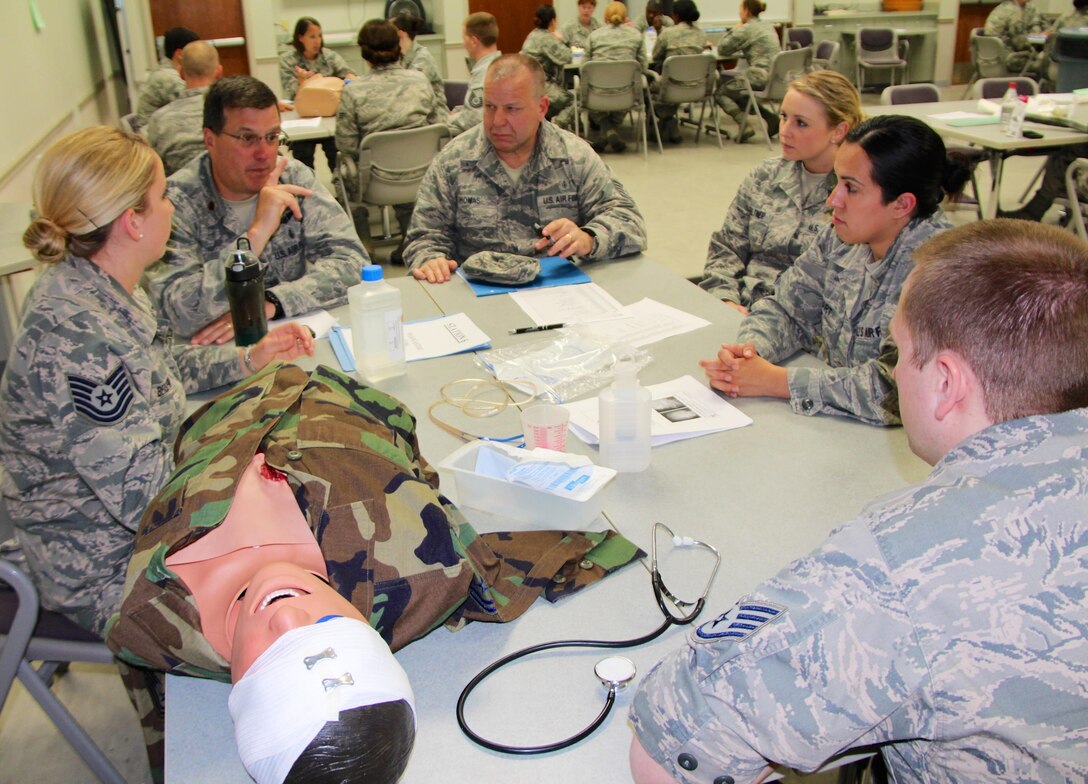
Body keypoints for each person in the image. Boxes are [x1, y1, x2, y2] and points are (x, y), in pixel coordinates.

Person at [630, 218, 1088, 783]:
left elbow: (674, 744)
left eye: (898, 352)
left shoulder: (911, 564)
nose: (893, 372)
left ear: (947, 383)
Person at [107, 362, 641, 782]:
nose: (288, 619)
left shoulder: (151, 619)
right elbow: (481, 568)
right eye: (336, 633)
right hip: (353, 403)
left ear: (235, 688)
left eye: (275, 664)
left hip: (214, 415)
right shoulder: (411, 565)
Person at [0, 126, 314, 638]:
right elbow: (144, 498)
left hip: (144, 519)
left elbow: (164, 371)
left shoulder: (106, 286)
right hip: (106, 566)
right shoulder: (76, 336)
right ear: (132, 223)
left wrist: (247, 359)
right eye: (162, 197)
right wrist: (255, 465)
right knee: (292, 594)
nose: (171, 207)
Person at [699, 115, 969, 425]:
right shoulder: (841, 235)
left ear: (902, 205)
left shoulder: (943, 271)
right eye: (836, 182)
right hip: (838, 427)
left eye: (851, 188)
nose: (832, 200)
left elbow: (896, 390)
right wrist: (749, 352)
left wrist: (777, 381)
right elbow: (787, 308)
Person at [146, 75, 367, 344]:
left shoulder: (292, 177)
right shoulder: (173, 203)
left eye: (273, 137)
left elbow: (355, 264)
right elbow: (177, 311)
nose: (264, 153)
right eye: (247, 138)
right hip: (215, 357)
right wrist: (255, 237)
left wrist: (269, 303)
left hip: (292, 339)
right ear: (210, 139)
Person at [403, 54, 647, 284]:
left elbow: (629, 222)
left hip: (557, 289)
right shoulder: (454, 160)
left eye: (511, 109)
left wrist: (588, 238)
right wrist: (431, 260)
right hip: (477, 291)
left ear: (542, 108)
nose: (497, 121)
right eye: (489, 107)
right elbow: (423, 237)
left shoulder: (574, 156)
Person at [699, 71, 863, 310]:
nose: (785, 131)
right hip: (741, 306)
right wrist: (725, 299)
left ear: (838, 131)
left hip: (800, 324)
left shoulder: (857, 192)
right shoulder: (765, 175)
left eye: (801, 123)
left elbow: (841, 290)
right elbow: (727, 247)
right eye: (784, 117)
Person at [335, 19, 443, 246]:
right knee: (409, 160)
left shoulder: (353, 92)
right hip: (419, 178)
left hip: (373, 184)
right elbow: (438, 125)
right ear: (398, 47)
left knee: (341, 173)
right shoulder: (420, 82)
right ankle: (412, 240)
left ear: (364, 53)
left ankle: (364, 245)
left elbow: (346, 145)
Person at [278, 17, 357, 171]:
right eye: (312, 36)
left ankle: (340, 190)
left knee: (336, 151)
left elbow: (349, 75)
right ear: (300, 38)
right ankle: (309, 190)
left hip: (329, 115)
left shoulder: (329, 56)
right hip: (304, 117)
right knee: (303, 154)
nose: (317, 41)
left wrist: (349, 78)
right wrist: (302, 82)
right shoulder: (288, 60)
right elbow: (290, 92)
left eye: (319, 36)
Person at [147, 40, 222, 176]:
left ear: (181, 73)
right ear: (219, 72)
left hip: (177, 193)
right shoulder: (234, 114)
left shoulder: (159, 120)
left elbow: (151, 169)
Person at [714, 0, 783, 142]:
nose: (739, 13)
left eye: (740, 9)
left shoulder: (747, 29)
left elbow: (723, 49)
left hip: (759, 77)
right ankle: (770, 117)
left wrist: (735, 28)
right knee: (740, 92)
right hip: (776, 78)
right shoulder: (768, 26)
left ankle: (744, 125)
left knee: (721, 92)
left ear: (746, 11)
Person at [586, 1, 647, 154]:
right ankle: (610, 131)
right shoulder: (636, 36)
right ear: (625, 18)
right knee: (632, 86)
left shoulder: (594, 36)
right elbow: (643, 67)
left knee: (584, 89)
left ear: (605, 18)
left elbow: (584, 68)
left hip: (597, 95)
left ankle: (605, 132)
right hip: (626, 95)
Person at [651, 0, 709, 143]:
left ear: (675, 16)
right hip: (697, 87)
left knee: (648, 86)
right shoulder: (701, 35)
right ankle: (670, 124)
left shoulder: (668, 34)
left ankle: (662, 124)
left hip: (671, 87)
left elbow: (656, 57)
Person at [521, 5, 575, 130]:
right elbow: (566, 57)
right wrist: (561, 40)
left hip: (527, 82)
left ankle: (544, 125)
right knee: (574, 100)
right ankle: (557, 126)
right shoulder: (547, 38)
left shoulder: (533, 34)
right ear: (553, 21)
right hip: (540, 84)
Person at [134, 26, 199, 130]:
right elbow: (194, 107)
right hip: (153, 136)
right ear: (180, 54)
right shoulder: (168, 77)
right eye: (195, 51)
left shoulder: (162, 70)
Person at [448, 12, 502, 136]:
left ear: (473, 41)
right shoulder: (499, 64)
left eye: (464, 38)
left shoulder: (484, 73)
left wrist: (447, 120)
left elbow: (472, 119)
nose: (463, 44)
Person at [391, 11, 450, 121]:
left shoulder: (422, 58)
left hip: (432, 117)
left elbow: (412, 91)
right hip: (410, 113)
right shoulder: (398, 57)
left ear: (400, 34)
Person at [984, 0, 1044, 74]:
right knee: (1044, 65)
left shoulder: (1003, 7)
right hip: (1007, 58)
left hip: (989, 58)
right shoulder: (1013, 12)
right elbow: (1020, 43)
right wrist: (1041, 39)